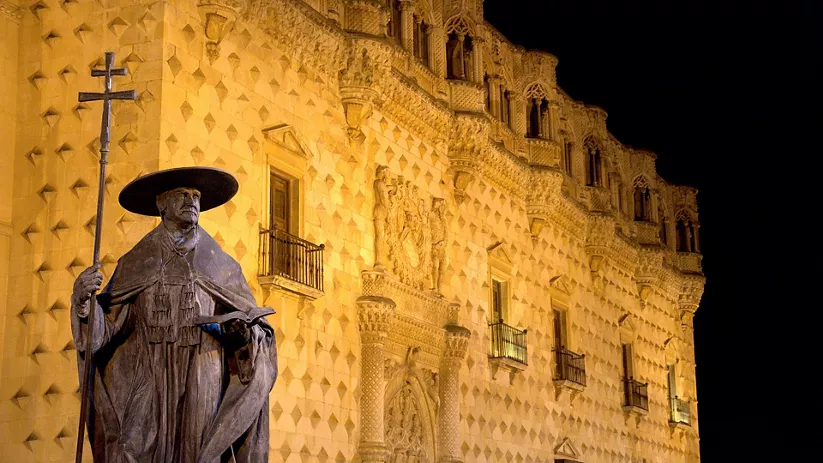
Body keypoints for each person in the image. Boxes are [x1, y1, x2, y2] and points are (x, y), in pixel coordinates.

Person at [71, 167, 277, 462]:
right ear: (161, 204)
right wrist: (83, 304)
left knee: (197, 453)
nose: (191, 200)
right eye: (181, 194)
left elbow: (257, 329)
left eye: (195, 196)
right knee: (134, 447)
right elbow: (106, 331)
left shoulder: (221, 266)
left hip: (202, 373)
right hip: (148, 373)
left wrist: (244, 334)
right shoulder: (136, 263)